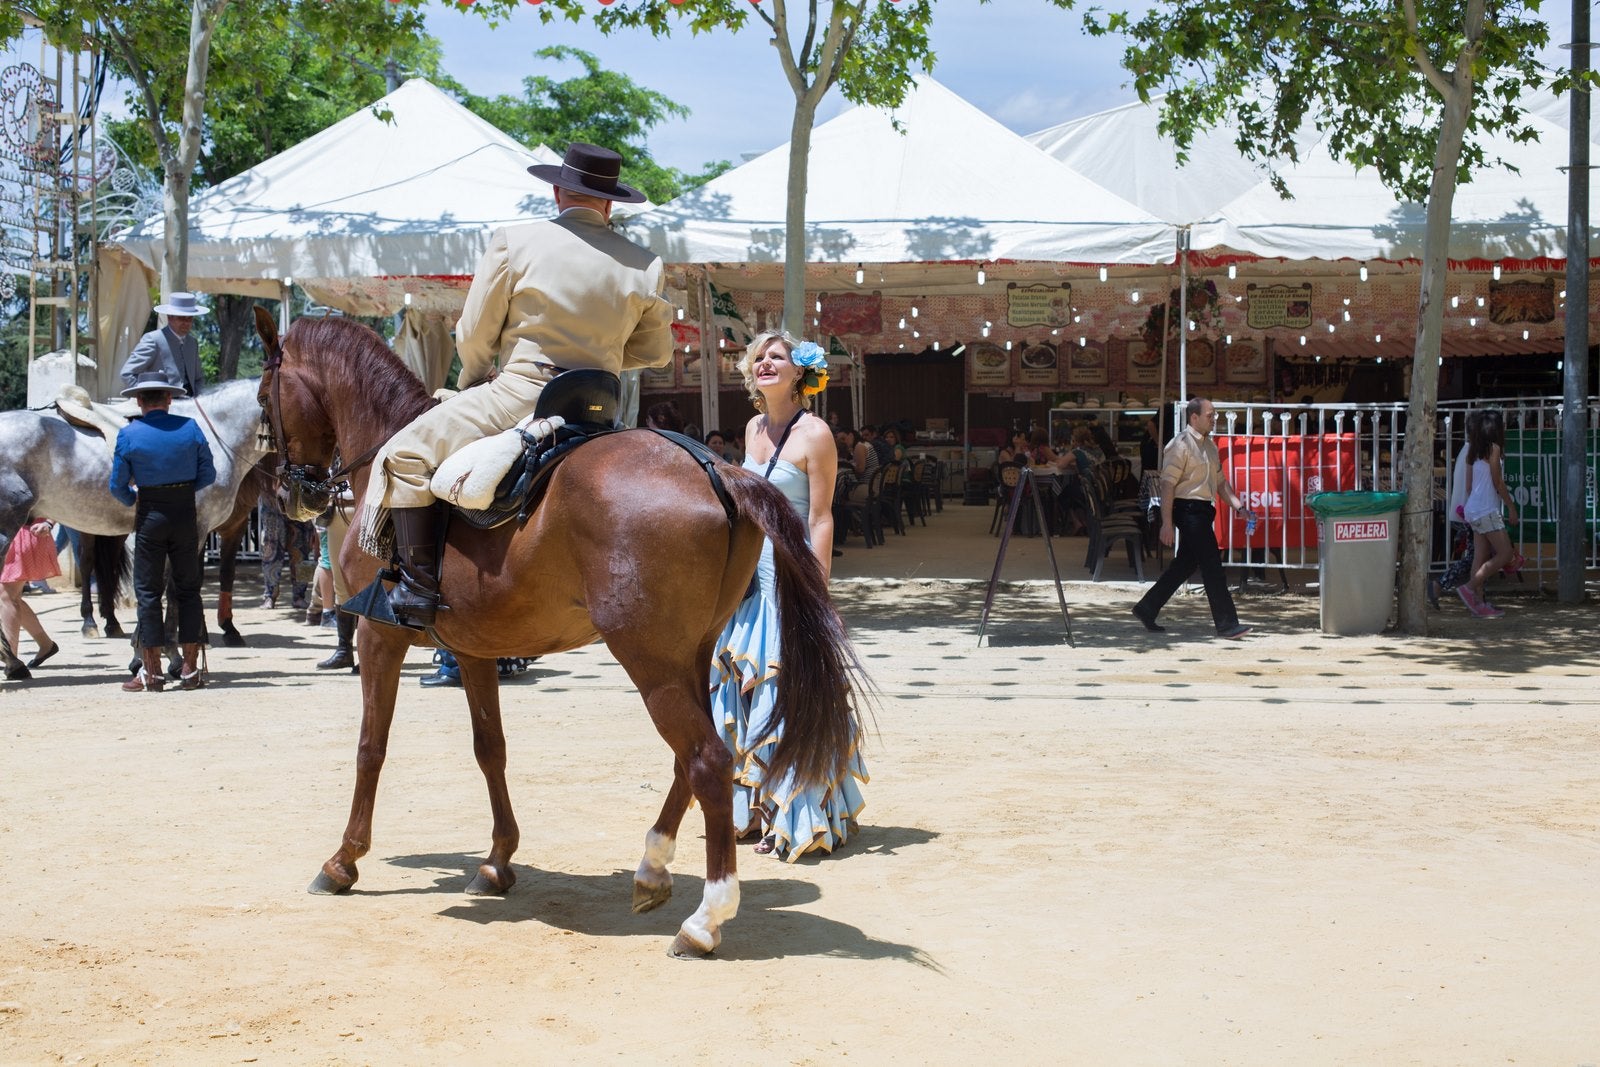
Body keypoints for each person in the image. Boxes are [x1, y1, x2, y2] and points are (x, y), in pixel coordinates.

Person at [362, 143, 674, 629]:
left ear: (557, 193)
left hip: (521, 394)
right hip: (599, 406)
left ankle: (417, 591)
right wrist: (607, 356)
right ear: (610, 204)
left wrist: (471, 380)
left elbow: (474, 334)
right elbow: (655, 352)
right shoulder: (646, 263)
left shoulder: (515, 241)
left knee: (402, 455)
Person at [711, 331, 864, 861]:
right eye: (759, 357)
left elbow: (821, 518)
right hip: (747, 577)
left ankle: (797, 815)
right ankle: (755, 809)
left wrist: (817, 591)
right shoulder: (752, 428)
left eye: (776, 356)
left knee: (786, 688)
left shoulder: (815, 433)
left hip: (791, 576)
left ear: (800, 371)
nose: (765, 363)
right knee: (746, 685)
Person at [109, 372, 216, 691]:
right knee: (188, 590)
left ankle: (152, 673)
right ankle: (190, 670)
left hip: (150, 514)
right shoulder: (190, 427)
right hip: (184, 514)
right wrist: (182, 491)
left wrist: (134, 498)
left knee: (148, 592)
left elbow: (117, 486)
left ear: (139, 401)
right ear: (169, 399)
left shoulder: (129, 433)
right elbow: (208, 474)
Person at [1131, 397, 1253, 639]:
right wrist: (1167, 523)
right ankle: (1227, 624)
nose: (1214, 419)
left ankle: (1147, 608)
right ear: (1194, 417)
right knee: (1212, 564)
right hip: (1187, 510)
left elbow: (1220, 483)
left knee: (1185, 565)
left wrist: (1240, 507)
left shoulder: (1210, 446)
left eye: (1215, 414)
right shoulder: (1180, 445)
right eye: (1210, 415)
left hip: (1202, 511)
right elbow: (1167, 485)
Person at [1459, 409, 1519, 618]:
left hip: (1473, 509)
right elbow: (1498, 482)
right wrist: (1511, 507)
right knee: (1506, 554)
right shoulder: (1494, 449)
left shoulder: (1472, 452)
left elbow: (1468, 487)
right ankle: (1469, 588)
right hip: (1486, 509)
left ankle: (1478, 603)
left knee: (1480, 555)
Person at [1428, 412, 1481, 610]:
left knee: (1477, 556)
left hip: (1466, 511)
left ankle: (1476, 595)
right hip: (1471, 512)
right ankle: (1441, 584)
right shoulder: (1473, 452)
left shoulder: (1468, 450)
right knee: (1476, 557)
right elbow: (1470, 487)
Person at [1, 517, 61, 681]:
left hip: (24, 533)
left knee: (7, 596)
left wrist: (49, 522)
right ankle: (45, 644)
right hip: (9, 533)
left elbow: (60, 501)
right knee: (11, 597)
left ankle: (12, 660)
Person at [120, 292, 208, 398]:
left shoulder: (192, 343)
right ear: (170, 317)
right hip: (163, 403)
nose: (186, 322)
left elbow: (198, 378)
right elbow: (127, 373)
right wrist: (148, 398)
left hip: (191, 402)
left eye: (189, 318)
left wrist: (199, 397)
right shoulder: (153, 339)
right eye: (181, 318)